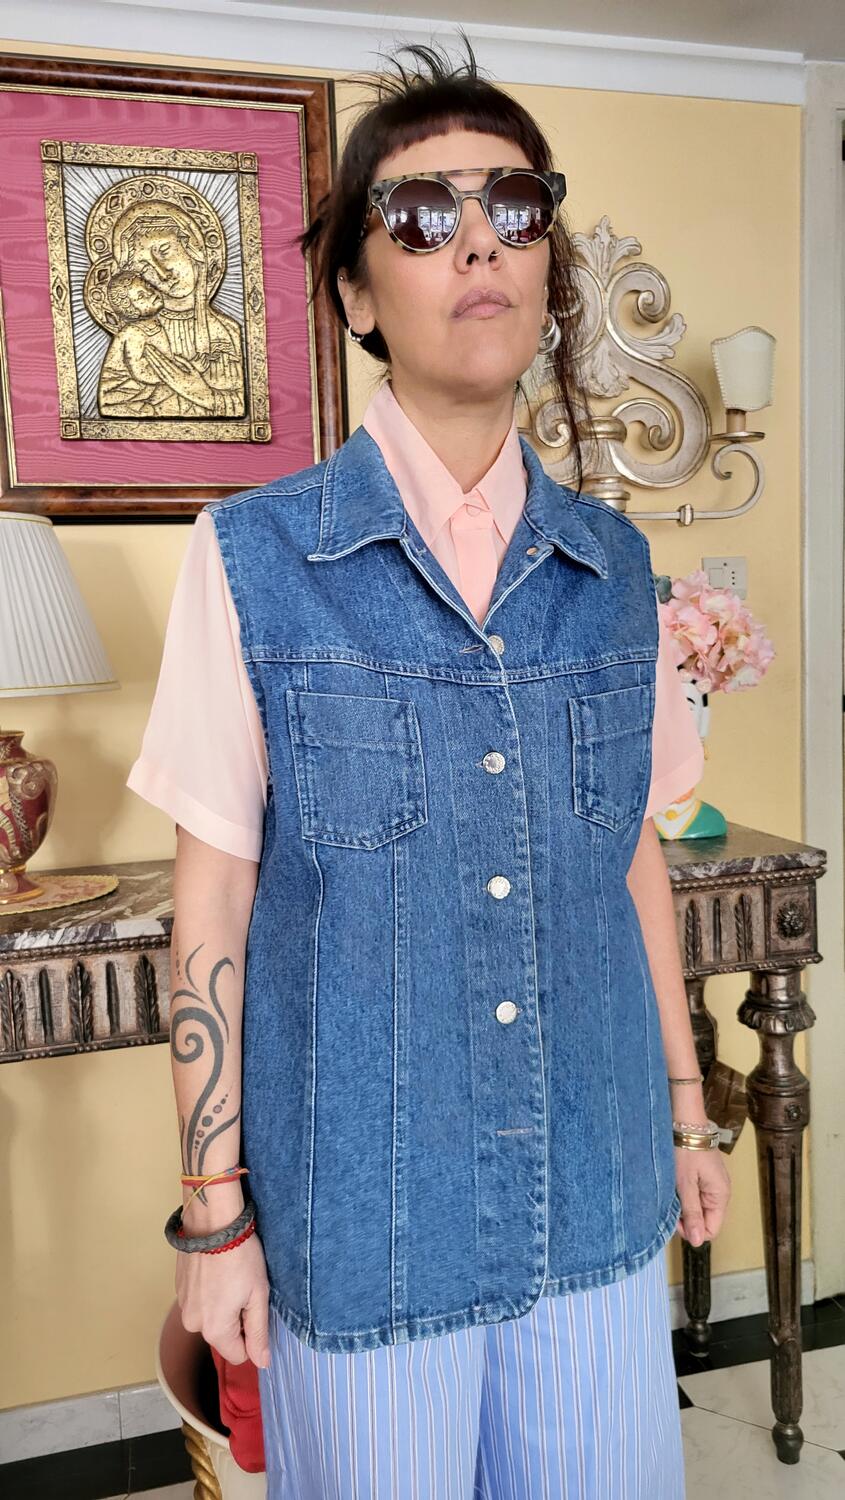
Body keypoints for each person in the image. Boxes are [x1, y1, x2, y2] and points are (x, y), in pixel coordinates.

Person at [127, 34, 731, 1499]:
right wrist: (213, 1216)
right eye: (419, 214)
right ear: (354, 294)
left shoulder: (614, 570)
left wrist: (686, 1108)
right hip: (365, 1223)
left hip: (595, 1197)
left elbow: (632, 859)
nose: (477, 242)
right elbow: (212, 902)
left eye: (513, 207)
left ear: (548, 264)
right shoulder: (254, 559)